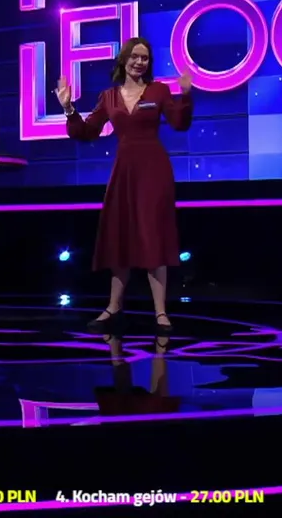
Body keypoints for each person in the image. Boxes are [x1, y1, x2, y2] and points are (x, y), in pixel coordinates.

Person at [56, 36, 193, 334]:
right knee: (121, 236)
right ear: (124, 59)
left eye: (145, 58)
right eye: (135, 56)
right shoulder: (109, 97)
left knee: (154, 235)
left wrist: (186, 95)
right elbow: (86, 132)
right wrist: (68, 108)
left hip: (154, 171)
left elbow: (179, 123)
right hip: (124, 173)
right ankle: (113, 307)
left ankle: (160, 313)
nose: (139, 62)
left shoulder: (158, 91)